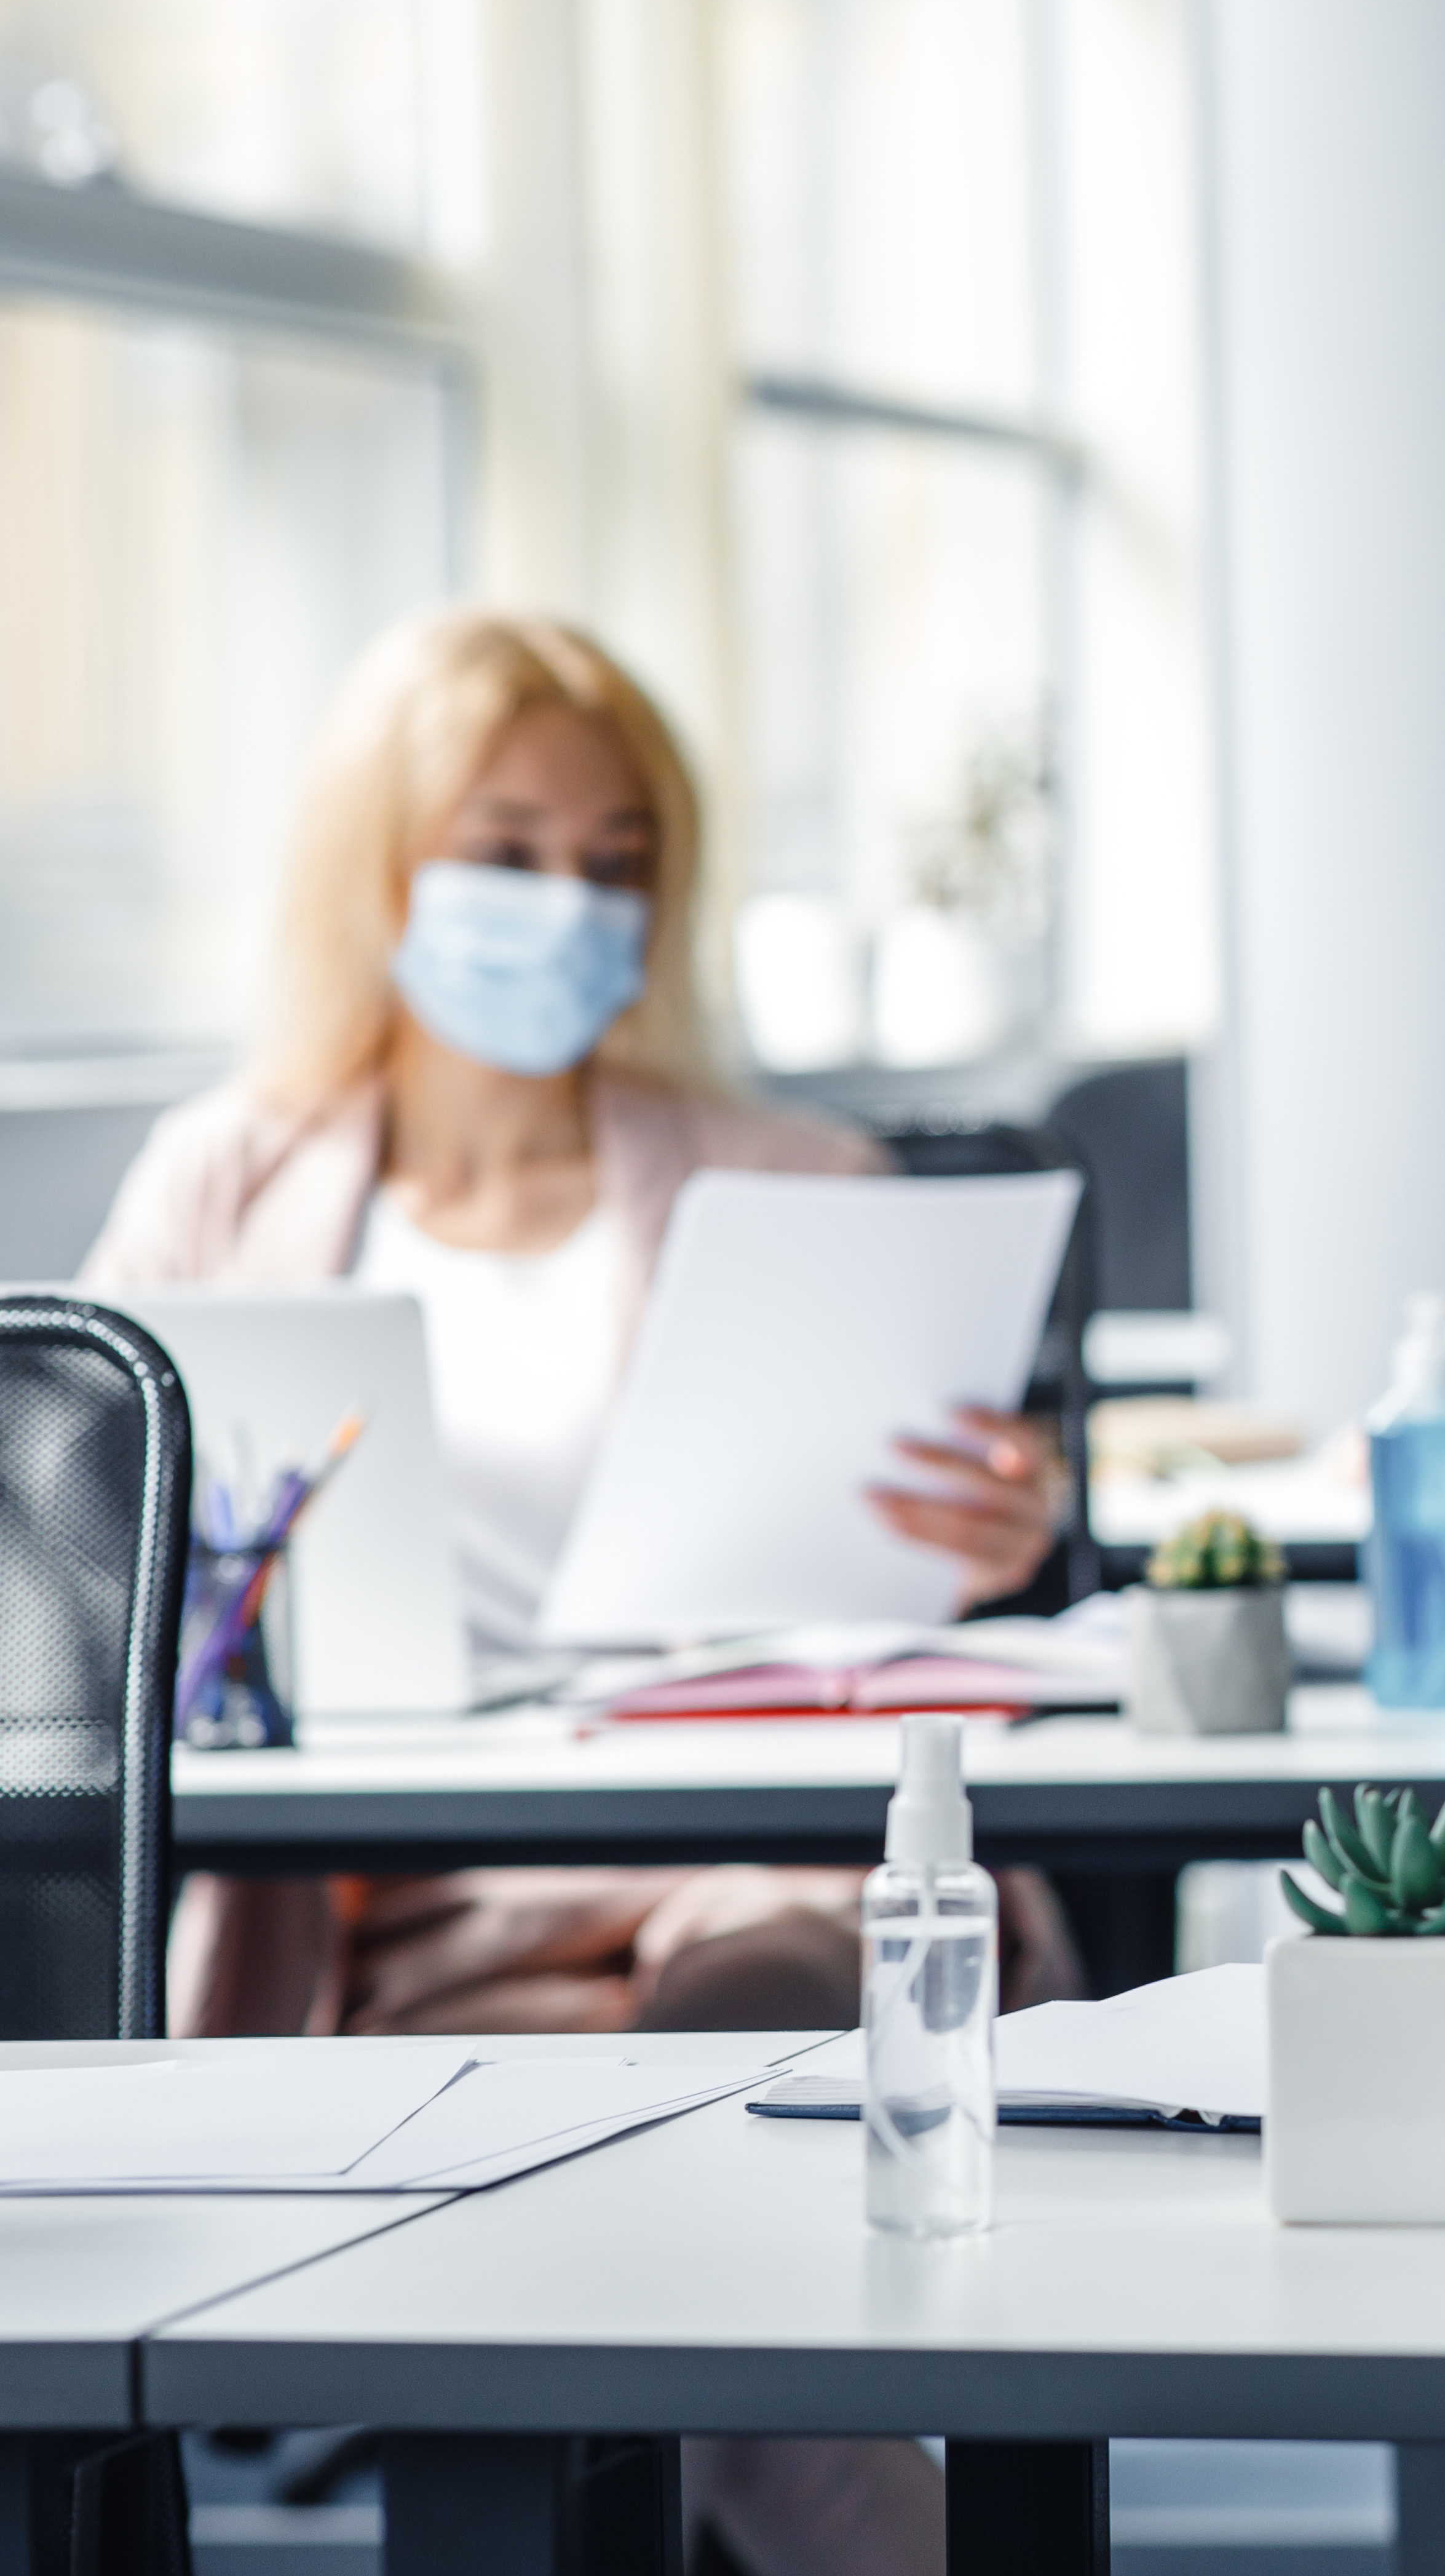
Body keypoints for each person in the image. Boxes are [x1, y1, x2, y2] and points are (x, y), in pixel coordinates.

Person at [85, 608, 1082, 2045]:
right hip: (398, 1885)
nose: (570, 904)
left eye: (616, 864)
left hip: (762, 1845)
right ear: (377, 868)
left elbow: (898, 1587)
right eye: (505, 854)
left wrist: (992, 1536)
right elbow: (69, 1538)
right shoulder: (225, 1182)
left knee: (768, 1990)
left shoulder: (798, 1186)